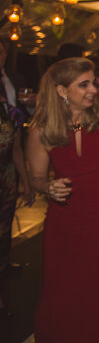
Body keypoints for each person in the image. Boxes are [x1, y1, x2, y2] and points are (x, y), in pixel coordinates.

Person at [28, 58, 99, 343]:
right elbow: (35, 177)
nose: (94, 91)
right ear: (62, 91)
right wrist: (48, 186)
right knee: (61, 295)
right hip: (65, 226)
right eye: (84, 85)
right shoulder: (41, 130)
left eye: (94, 84)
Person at [0, 85, 31, 318]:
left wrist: (27, 184)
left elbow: (18, 149)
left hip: (6, 182)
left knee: (2, 239)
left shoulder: (11, 113)